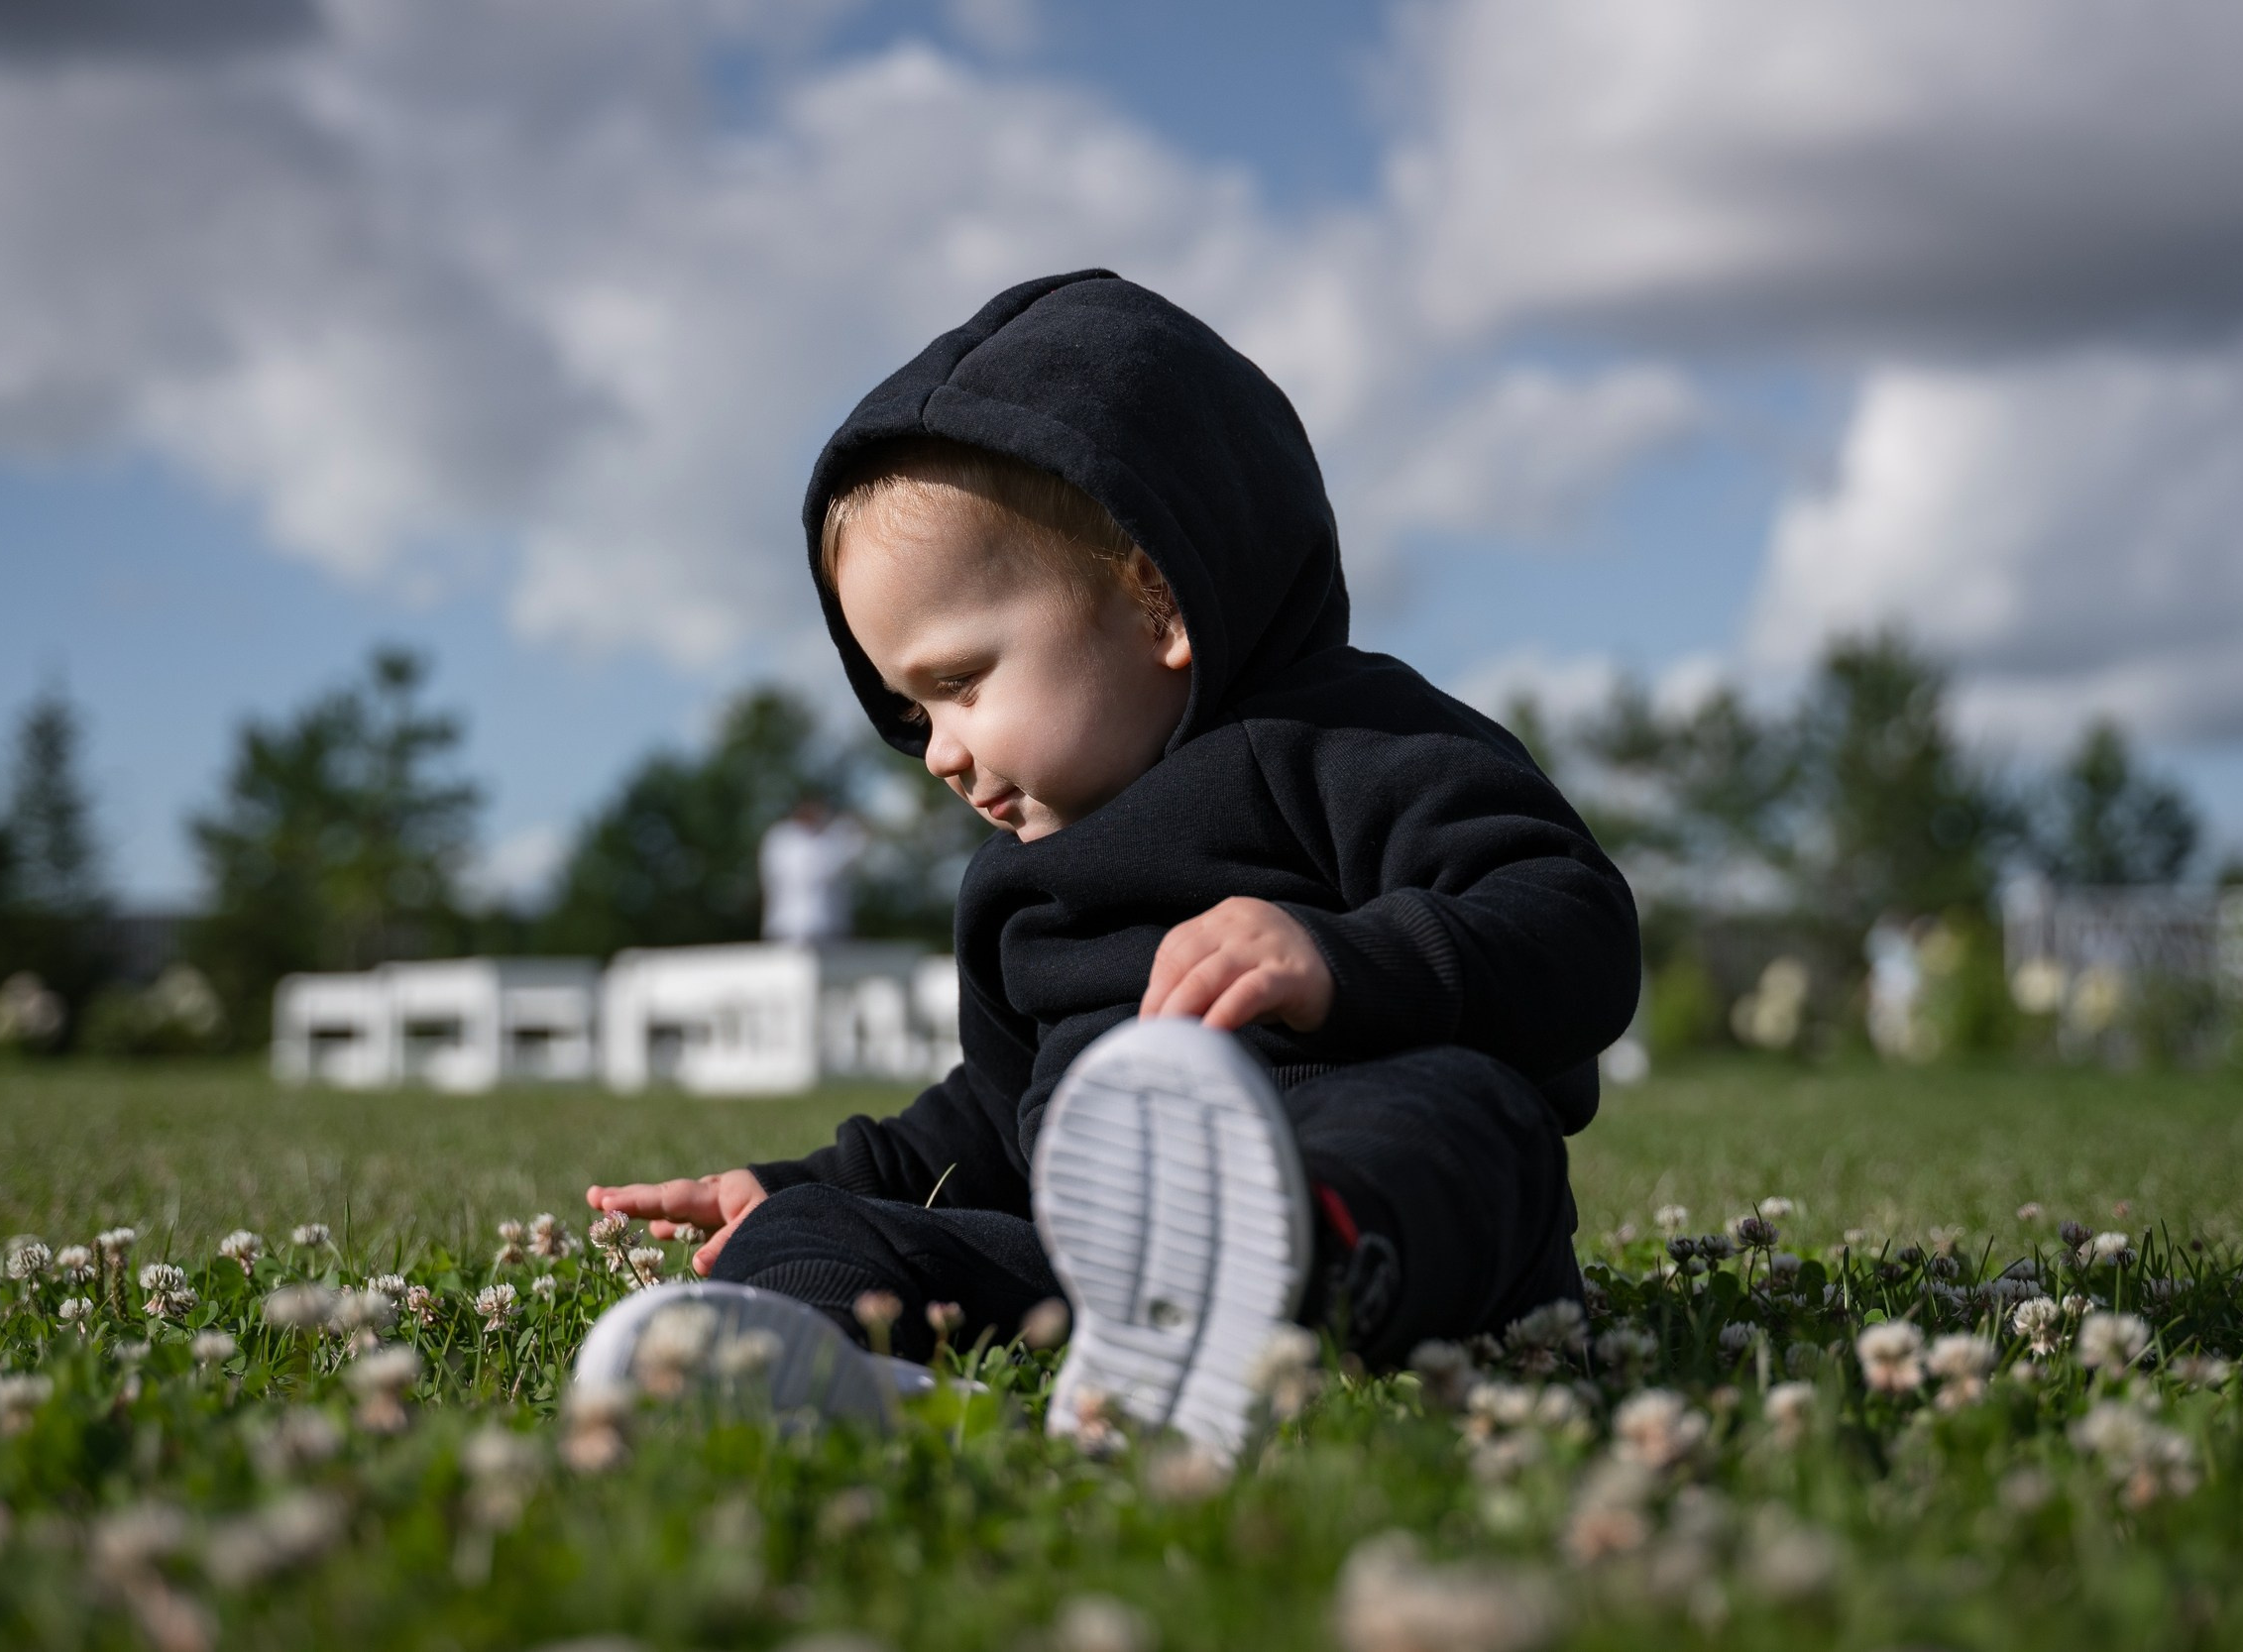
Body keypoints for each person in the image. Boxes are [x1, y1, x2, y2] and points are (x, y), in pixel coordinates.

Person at [585, 271, 1640, 1456]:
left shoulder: (1352, 743)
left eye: (960, 684)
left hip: (1366, 1207)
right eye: (908, 710)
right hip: (1095, 1257)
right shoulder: (1014, 888)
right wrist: (796, 1182)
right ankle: (791, 1366)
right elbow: (995, 1110)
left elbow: (1575, 926)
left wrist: (1344, 957)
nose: (936, 752)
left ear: (1154, 600)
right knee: (827, 1227)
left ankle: (1277, 1282)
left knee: (1464, 1117)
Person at [757, 795, 866, 945]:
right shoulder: (784, 838)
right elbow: (817, 872)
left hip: (826, 927)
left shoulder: (824, 839)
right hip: (792, 925)